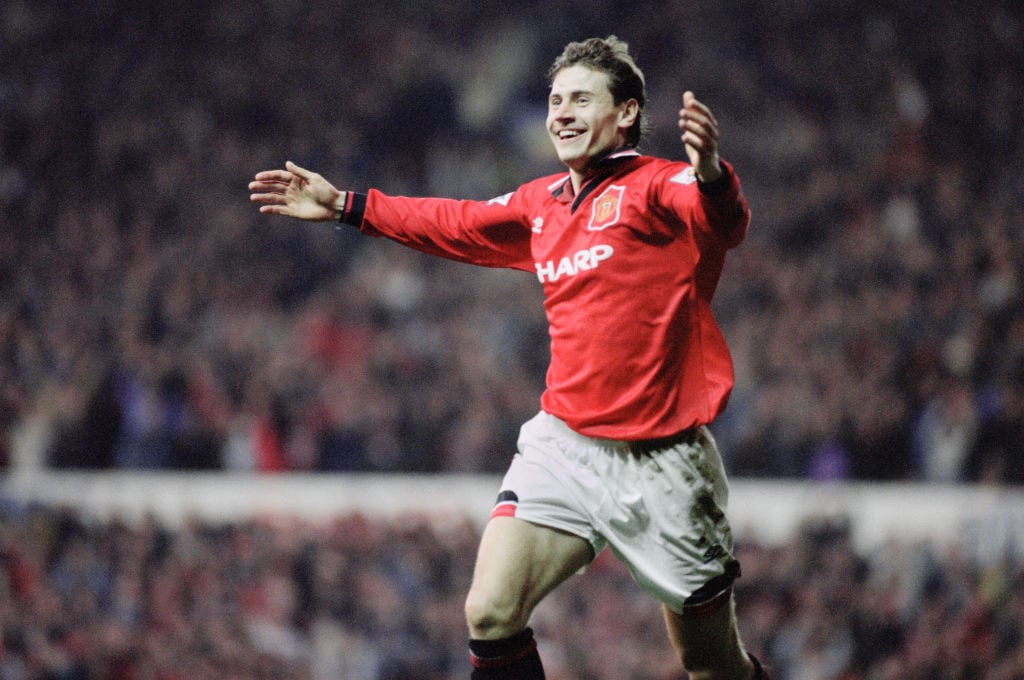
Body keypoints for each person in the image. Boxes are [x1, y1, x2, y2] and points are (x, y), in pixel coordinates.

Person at [250, 36, 767, 680]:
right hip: (566, 443)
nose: (562, 113)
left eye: (582, 98)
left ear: (626, 112)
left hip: (662, 460)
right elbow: (456, 220)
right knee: (490, 612)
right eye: (555, 100)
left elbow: (725, 222)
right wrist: (347, 207)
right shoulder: (541, 202)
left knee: (711, 664)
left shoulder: (660, 185)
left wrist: (714, 171)